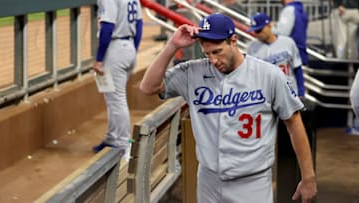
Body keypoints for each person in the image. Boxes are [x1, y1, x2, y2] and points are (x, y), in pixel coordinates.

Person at [140, 13, 317, 203]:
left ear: (234, 41)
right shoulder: (194, 72)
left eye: (217, 52)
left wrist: (308, 177)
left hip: (252, 182)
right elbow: (148, 87)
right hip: (209, 179)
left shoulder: (268, 75)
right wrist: (172, 46)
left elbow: (294, 123)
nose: (213, 60)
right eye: (207, 54)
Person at [92, 0, 143, 155]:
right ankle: (112, 138)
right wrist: (131, 50)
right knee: (112, 98)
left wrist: (99, 59)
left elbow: (107, 27)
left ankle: (123, 144)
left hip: (114, 50)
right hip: (127, 47)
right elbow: (139, 25)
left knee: (117, 99)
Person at [247, 12, 305, 98]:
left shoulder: (288, 42)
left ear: (269, 26)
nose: (257, 34)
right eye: (255, 31)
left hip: (290, 94)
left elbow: (297, 68)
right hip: (267, 97)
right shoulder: (252, 48)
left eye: (259, 30)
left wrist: (301, 91)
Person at [273, 0, 309, 65]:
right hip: (300, 52)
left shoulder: (289, 10)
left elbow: (283, 32)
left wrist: (268, 29)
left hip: (290, 54)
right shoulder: (301, 10)